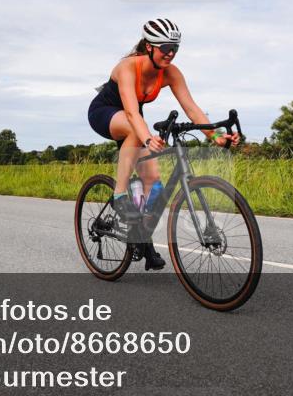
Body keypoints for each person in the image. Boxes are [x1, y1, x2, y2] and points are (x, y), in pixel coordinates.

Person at [87, 19, 240, 270]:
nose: (171, 53)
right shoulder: (127, 67)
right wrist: (148, 138)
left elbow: (192, 108)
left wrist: (215, 136)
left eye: (175, 48)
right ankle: (119, 195)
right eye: (166, 47)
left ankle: (141, 238)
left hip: (134, 119)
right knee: (136, 129)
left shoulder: (171, 72)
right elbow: (132, 114)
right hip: (106, 113)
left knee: (153, 182)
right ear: (149, 46)